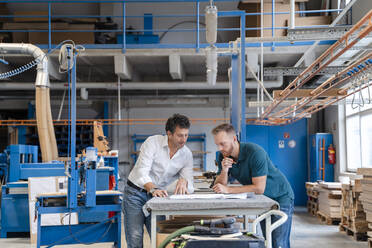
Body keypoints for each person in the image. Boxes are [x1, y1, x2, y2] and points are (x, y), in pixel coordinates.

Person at [211, 123, 294, 248]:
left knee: (278, 243)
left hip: (280, 197)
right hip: (264, 200)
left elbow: (259, 188)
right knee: (268, 241)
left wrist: (229, 189)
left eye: (223, 144)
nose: (220, 148)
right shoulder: (222, 155)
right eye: (217, 144)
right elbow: (219, 186)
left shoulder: (255, 152)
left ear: (234, 139)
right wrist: (224, 170)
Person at [123, 113, 194, 248]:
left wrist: (184, 180)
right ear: (169, 133)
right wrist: (153, 188)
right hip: (135, 194)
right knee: (135, 238)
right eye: (180, 135)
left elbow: (189, 183)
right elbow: (142, 172)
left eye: (186, 135)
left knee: (159, 238)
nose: (183, 139)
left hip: (157, 196)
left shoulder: (186, 154)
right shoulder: (152, 143)